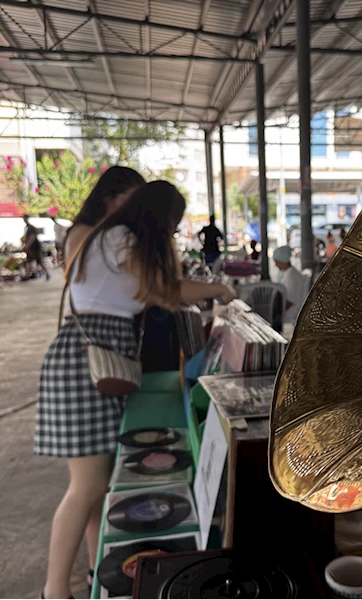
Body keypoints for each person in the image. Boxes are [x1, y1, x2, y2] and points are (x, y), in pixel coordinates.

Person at [35, 181, 236, 600]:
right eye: (172, 225)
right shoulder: (120, 239)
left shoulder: (112, 237)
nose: (172, 232)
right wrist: (220, 289)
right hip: (86, 364)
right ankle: (54, 593)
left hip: (93, 361)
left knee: (96, 487)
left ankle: (94, 573)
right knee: (86, 486)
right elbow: (165, 292)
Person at [273, 245, 305, 324]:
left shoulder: (291, 276)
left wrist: (274, 312)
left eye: (276, 262)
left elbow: (289, 301)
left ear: (282, 261)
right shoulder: (289, 272)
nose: (276, 265)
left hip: (291, 312)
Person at [23, 215, 51, 281]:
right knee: (28, 261)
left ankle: (47, 273)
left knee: (39, 261)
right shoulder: (27, 227)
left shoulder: (31, 227)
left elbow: (33, 236)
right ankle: (27, 275)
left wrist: (28, 245)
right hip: (31, 247)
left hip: (34, 247)